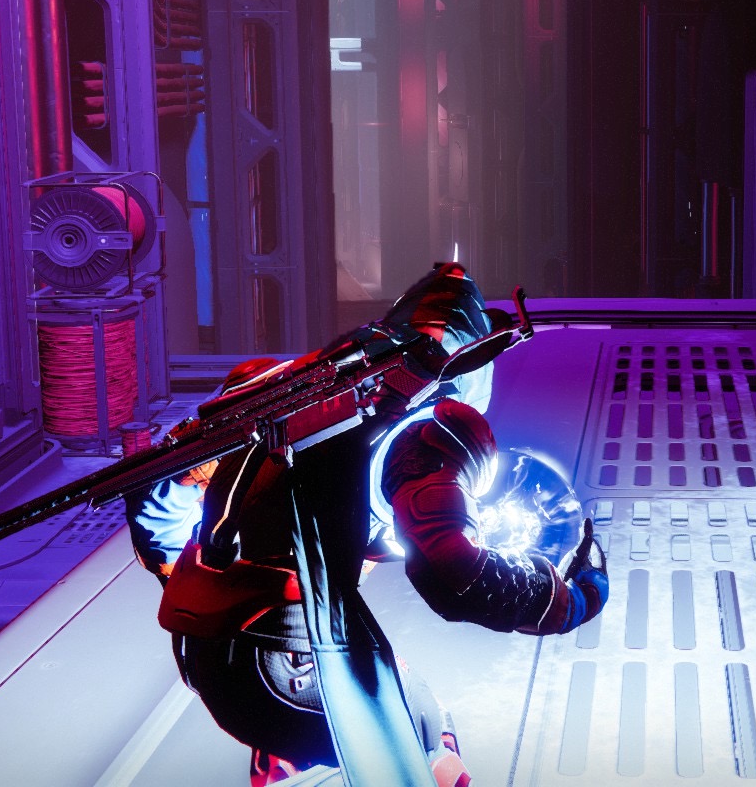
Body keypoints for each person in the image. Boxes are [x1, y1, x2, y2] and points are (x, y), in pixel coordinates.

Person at [126, 264, 607, 786]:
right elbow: (456, 576)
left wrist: (204, 584)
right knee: (432, 739)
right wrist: (570, 600)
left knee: (331, 723)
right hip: (287, 671)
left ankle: (283, 759)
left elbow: (155, 490)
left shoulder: (269, 385)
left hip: (200, 657)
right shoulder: (432, 431)